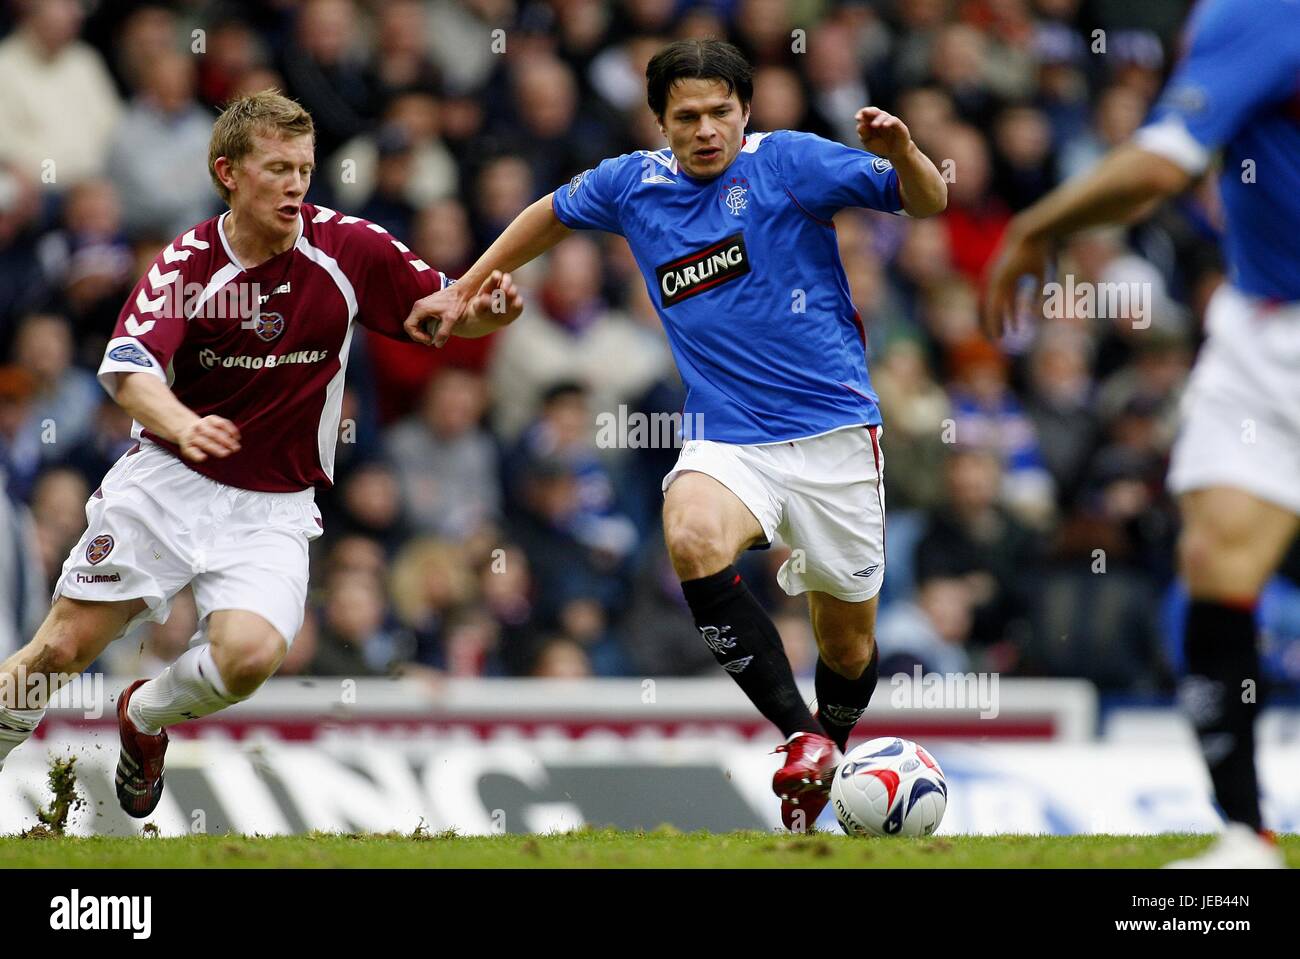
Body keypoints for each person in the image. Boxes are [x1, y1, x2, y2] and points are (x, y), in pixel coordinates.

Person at [406, 38, 947, 830]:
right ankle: (798, 734)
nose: (705, 130)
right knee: (691, 534)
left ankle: (823, 761)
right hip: (729, 436)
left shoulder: (789, 162)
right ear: (659, 121)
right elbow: (547, 214)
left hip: (835, 437)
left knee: (850, 649)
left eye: (720, 113)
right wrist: (464, 287)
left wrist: (905, 151)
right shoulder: (632, 184)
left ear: (746, 111)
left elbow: (925, 200)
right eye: (686, 116)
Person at [0, 90, 521, 818]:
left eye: (304, 169)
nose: (295, 185)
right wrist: (180, 423)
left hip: (272, 504)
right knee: (57, 652)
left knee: (247, 658)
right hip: (169, 481)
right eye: (277, 168)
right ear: (229, 173)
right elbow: (126, 369)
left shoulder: (348, 248)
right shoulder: (187, 264)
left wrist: (480, 316)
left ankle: (143, 716)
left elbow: (436, 313)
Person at [983, 0, 1299, 867]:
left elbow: (1164, 163)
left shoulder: (1264, 12)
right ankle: (1245, 834)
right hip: (1264, 324)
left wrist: (1036, 224)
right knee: (1216, 561)